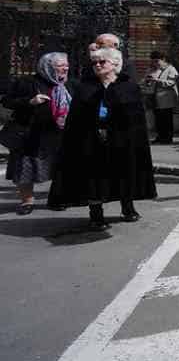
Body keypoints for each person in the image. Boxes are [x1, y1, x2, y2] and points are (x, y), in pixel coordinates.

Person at [48, 47, 156, 230]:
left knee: (124, 174)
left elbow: (136, 119)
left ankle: (127, 208)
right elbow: (76, 119)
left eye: (102, 62)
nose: (97, 65)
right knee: (94, 179)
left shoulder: (128, 86)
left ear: (114, 63)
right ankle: (96, 215)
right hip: (92, 142)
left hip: (122, 142)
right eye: (94, 62)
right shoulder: (86, 87)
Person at [4, 52, 77, 214]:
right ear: (47, 66)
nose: (65, 68)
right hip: (31, 134)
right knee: (25, 168)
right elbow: (7, 101)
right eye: (60, 65)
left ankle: (58, 198)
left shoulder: (70, 84)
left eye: (66, 65)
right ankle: (26, 201)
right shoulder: (28, 82)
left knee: (60, 168)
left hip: (60, 134)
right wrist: (30, 101)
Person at [142, 51, 179, 145]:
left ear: (163, 59)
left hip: (166, 99)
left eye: (157, 61)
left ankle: (167, 138)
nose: (155, 63)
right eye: (153, 61)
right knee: (158, 119)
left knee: (166, 119)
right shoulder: (152, 69)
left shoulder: (171, 69)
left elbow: (171, 83)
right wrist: (147, 80)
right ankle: (160, 136)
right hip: (155, 99)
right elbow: (146, 81)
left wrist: (157, 80)